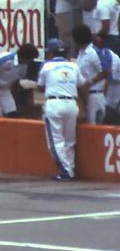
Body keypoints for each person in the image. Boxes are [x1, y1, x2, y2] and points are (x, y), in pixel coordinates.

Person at [37, 38, 83, 181]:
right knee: (70, 140)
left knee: (56, 140)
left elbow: (40, 86)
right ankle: (70, 169)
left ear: (51, 52)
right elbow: (81, 84)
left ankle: (65, 171)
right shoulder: (74, 66)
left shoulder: (47, 65)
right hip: (71, 103)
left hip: (54, 103)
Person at [72, 26, 115, 126]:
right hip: (85, 95)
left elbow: (106, 71)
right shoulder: (81, 53)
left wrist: (89, 82)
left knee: (93, 125)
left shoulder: (94, 52)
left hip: (94, 94)